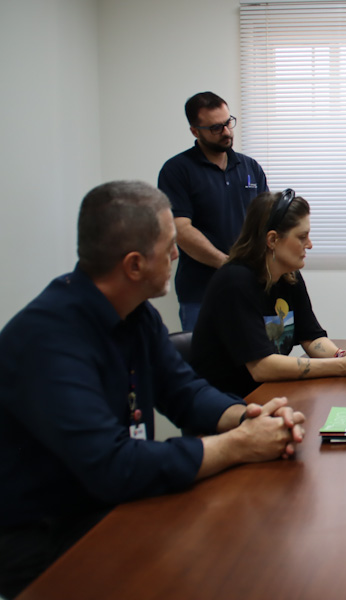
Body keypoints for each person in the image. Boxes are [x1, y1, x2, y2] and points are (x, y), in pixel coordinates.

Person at [0, 181, 305, 598]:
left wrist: (249, 417)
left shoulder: (137, 315)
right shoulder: (48, 339)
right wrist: (238, 444)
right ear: (134, 265)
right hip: (46, 539)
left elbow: (185, 391)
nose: (177, 255)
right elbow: (112, 466)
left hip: (111, 506)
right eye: (169, 246)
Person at [191, 189, 346, 398]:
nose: (310, 244)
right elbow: (262, 367)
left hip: (270, 394)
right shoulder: (234, 282)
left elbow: (311, 338)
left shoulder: (289, 276)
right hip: (228, 403)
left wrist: (342, 355)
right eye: (302, 237)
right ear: (272, 239)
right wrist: (343, 366)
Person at [158, 91, 268, 331]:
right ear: (195, 131)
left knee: (255, 352)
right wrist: (228, 264)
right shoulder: (176, 170)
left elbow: (267, 222)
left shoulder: (250, 167)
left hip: (250, 286)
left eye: (228, 122)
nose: (226, 132)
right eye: (216, 128)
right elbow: (180, 229)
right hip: (201, 293)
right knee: (204, 355)